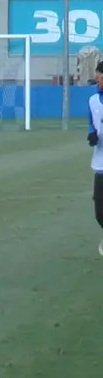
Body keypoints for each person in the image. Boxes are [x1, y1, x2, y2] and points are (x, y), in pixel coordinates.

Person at [87, 61, 103, 255]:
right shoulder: (92, 101)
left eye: (100, 76)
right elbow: (92, 123)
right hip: (100, 164)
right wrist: (92, 135)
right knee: (100, 212)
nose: (97, 80)